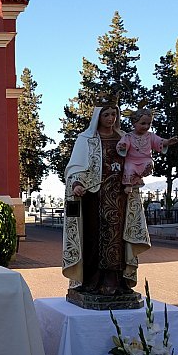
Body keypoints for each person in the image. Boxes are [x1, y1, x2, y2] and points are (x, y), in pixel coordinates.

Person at [62, 102, 150, 296]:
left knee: (118, 238)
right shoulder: (86, 139)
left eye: (114, 114)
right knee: (94, 238)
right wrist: (76, 184)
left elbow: (137, 159)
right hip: (94, 197)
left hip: (121, 196)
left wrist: (142, 168)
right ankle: (92, 281)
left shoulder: (125, 138)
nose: (111, 118)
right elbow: (75, 168)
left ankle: (117, 281)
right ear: (98, 117)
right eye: (106, 115)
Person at [117, 108, 178, 193]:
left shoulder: (150, 136)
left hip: (145, 159)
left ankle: (139, 177)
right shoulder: (129, 136)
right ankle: (129, 185)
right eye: (143, 123)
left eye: (149, 123)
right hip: (131, 161)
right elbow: (124, 143)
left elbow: (159, 141)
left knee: (149, 164)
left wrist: (167, 142)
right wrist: (123, 146)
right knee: (129, 169)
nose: (146, 126)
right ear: (134, 123)